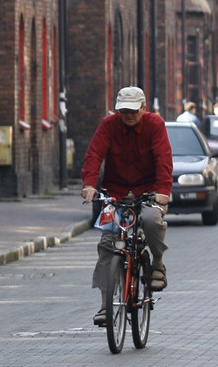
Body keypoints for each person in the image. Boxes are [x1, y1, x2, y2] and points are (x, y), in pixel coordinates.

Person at [80, 86, 172, 327]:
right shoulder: (109, 125)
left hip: (148, 192)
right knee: (107, 243)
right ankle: (105, 304)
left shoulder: (155, 125)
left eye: (133, 110)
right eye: (123, 111)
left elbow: (164, 157)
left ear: (143, 108)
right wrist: (89, 184)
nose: (128, 115)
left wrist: (163, 191)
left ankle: (158, 263)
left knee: (152, 220)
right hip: (116, 192)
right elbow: (94, 155)